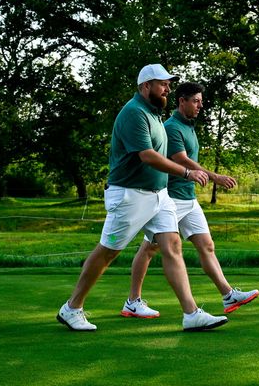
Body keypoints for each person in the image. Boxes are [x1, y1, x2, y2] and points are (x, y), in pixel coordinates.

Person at [57, 64, 228, 333]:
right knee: (108, 252)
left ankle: (191, 313)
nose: (168, 89)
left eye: (169, 84)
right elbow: (147, 156)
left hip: (159, 195)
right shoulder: (134, 113)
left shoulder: (154, 113)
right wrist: (187, 171)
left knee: (172, 246)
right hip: (129, 195)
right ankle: (72, 307)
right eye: (163, 84)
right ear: (146, 86)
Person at [121, 81, 259, 319]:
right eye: (195, 101)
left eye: (201, 101)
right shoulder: (172, 127)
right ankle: (133, 301)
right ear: (181, 101)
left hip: (188, 198)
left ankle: (228, 295)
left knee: (207, 245)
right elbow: (181, 159)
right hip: (171, 198)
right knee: (149, 249)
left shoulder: (188, 126)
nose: (200, 106)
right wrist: (214, 176)